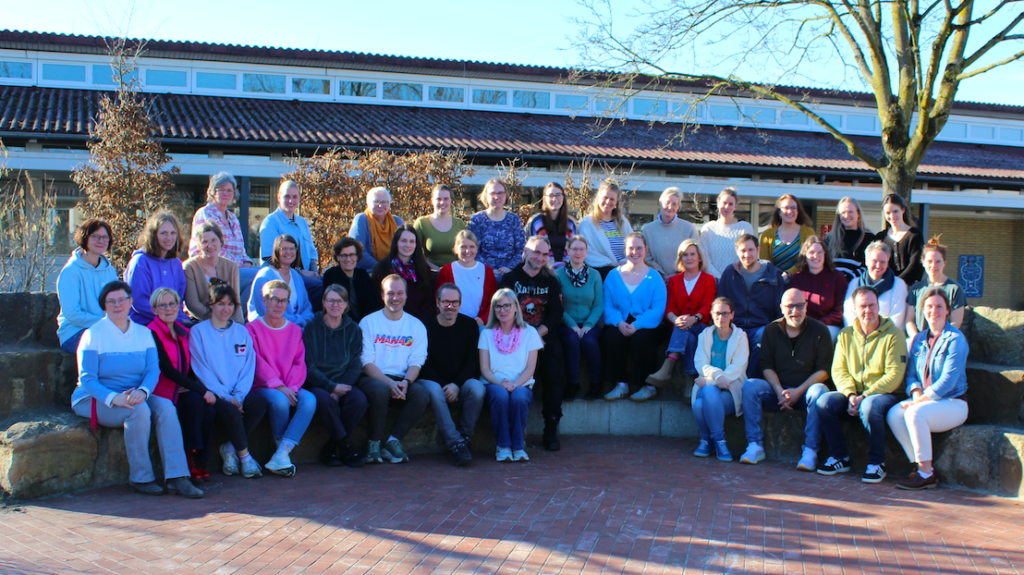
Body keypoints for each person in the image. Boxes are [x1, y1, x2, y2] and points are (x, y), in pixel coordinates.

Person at [71, 281, 203, 498]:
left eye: (122, 300)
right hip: (95, 397)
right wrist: (113, 398)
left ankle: (177, 477)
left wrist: (143, 391)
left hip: (135, 393)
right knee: (138, 411)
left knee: (166, 408)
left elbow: (152, 370)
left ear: (130, 302)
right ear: (104, 306)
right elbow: (87, 378)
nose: (117, 305)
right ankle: (141, 478)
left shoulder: (143, 333)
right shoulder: (93, 334)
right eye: (111, 301)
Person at [816, 287, 907, 483]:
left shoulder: (894, 335)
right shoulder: (845, 335)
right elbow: (839, 370)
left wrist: (865, 396)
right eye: (863, 306)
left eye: (872, 305)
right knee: (824, 402)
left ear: (878, 306)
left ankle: (877, 463)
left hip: (885, 395)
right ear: (855, 309)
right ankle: (840, 457)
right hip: (854, 394)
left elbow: (894, 375)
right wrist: (850, 395)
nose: (868, 310)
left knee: (869, 406)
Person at [740, 289, 832, 470]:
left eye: (799, 306)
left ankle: (811, 451)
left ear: (806, 306)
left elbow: (824, 370)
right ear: (781, 308)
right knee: (750, 386)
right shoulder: (771, 329)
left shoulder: (820, 330)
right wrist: (779, 391)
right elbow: (766, 365)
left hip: (806, 393)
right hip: (778, 391)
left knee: (819, 391)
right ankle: (755, 445)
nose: (795, 311)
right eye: (790, 306)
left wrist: (798, 391)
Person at [887, 288, 969, 490]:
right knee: (894, 414)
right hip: (925, 400)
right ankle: (919, 465)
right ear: (922, 310)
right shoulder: (919, 339)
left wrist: (919, 401)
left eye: (939, 306)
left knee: (914, 413)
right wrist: (916, 393)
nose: (934, 311)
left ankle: (926, 474)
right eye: (929, 306)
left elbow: (948, 380)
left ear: (947, 310)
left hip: (953, 403)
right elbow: (911, 374)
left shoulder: (955, 339)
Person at [189, 281, 266, 479]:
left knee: (259, 403)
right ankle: (245, 458)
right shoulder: (198, 332)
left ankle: (230, 448)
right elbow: (201, 370)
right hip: (215, 394)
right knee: (230, 411)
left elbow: (248, 367)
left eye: (230, 304)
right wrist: (225, 396)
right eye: (221, 304)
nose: (226, 309)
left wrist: (238, 396)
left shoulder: (242, 331)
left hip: (238, 392)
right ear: (211, 305)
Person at [500, 236, 566, 450]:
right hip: (516, 339)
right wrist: (527, 338)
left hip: (544, 338)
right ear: (526, 251)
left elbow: (556, 313)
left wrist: (537, 335)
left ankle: (551, 429)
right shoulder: (510, 279)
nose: (540, 257)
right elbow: (504, 310)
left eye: (545, 254)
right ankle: (516, 430)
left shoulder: (551, 281)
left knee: (554, 377)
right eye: (536, 252)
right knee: (515, 379)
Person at [357, 274, 431, 464]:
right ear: (383, 296)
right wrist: (389, 383)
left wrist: (406, 382)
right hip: (374, 377)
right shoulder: (368, 322)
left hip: (402, 378)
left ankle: (393, 441)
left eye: (400, 293)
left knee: (421, 394)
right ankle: (373, 443)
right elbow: (366, 362)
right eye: (390, 293)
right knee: (380, 390)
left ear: (406, 295)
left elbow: (417, 361)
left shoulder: (416, 326)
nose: (395, 297)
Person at [146, 287, 218, 481]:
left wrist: (201, 388)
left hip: (182, 388)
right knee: (195, 401)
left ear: (179, 306)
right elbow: (167, 369)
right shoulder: (151, 332)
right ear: (154, 309)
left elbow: (190, 365)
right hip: (164, 392)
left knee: (210, 410)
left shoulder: (183, 330)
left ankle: (201, 458)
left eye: (172, 304)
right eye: (162, 305)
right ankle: (190, 456)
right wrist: (201, 390)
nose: (168, 308)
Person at [247, 280, 314, 477]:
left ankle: (282, 453)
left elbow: (298, 362)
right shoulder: (252, 328)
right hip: (263, 386)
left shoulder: (295, 330)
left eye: (284, 301)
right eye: (275, 299)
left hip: (289, 385)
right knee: (279, 401)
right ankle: (280, 450)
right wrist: (278, 386)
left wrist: (291, 387)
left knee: (310, 400)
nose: (279, 305)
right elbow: (257, 361)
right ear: (265, 300)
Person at [419, 283, 486, 466]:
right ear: (438, 303)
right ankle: (455, 442)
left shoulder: (469, 325)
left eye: (455, 302)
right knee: (434, 390)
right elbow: (423, 363)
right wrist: (445, 386)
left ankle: (465, 437)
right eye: (446, 302)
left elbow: (473, 360)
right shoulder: (425, 327)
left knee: (478, 388)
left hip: (460, 383)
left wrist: (456, 384)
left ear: (460, 303)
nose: (450, 306)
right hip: (433, 382)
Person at [302, 284, 368, 468]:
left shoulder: (354, 329)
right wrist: (331, 387)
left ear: (346, 304)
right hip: (319, 383)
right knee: (325, 401)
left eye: (339, 301)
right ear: (323, 303)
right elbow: (309, 367)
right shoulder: (312, 328)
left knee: (359, 400)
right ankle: (345, 445)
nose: (335, 305)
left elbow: (355, 365)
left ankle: (332, 446)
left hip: (344, 382)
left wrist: (340, 389)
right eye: (331, 301)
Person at [601, 233, 668, 402]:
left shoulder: (655, 277)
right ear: (625, 250)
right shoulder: (613, 276)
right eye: (631, 248)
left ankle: (648, 387)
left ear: (646, 250)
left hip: (648, 323)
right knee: (612, 337)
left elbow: (658, 309)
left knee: (642, 339)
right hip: (620, 321)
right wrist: (619, 322)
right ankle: (620, 385)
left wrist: (637, 325)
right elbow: (607, 305)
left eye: (639, 248)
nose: (635, 252)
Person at [479, 288, 544, 462]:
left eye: (507, 305)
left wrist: (514, 385)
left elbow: (530, 368)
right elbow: (485, 369)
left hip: (521, 383)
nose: (503, 310)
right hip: (494, 383)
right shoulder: (486, 333)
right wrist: (501, 384)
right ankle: (503, 446)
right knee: (500, 396)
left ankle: (518, 446)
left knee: (519, 397)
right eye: (498, 306)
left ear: (516, 307)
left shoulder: (530, 332)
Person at [647, 239, 715, 389]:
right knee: (689, 338)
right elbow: (669, 307)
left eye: (692, 254)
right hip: (679, 327)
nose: (689, 258)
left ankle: (667, 366)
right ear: (680, 258)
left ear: (699, 257)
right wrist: (675, 319)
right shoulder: (674, 281)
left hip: (700, 326)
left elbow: (707, 306)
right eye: (685, 255)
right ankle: (690, 383)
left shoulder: (708, 279)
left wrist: (694, 318)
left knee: (688, 330)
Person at [717, 234, 785, 378]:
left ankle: (750, 381)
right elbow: (720, 302)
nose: (747, 255)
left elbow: (780, 309)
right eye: (743, 250)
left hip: (762, 326)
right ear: (736, 251)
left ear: (758, 249)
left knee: (763, 337)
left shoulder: (773, 275)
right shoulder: (730, 273)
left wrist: (776, 328)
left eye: (751, 250)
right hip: (735, 325)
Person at [691, 297, 749, 462]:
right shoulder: (705, 335)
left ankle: (707, 441)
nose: (720, 317)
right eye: (717, 313)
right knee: (708, 393)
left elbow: (738, 368)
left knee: (700, 404)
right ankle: (719, 441)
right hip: (709, 389)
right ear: (711, 314)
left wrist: (710, 381)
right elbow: (700, 363)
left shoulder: (740, 337)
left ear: (732, 315)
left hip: (731, 390)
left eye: (725, 313)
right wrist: (717, 377)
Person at [56, 218, 119, 353]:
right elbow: (72, 314)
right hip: (75, 332)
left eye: (105, 237)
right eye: (95, 237)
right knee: (109, 348)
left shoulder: (110, 271)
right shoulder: (71, 271)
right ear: (85, 238)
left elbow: (117, 302)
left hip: (106, 329)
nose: (101, 241)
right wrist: (105, 324)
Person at [188, 172, 256, 292]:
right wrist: (240, 264)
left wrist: (248, 262)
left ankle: (238, 304)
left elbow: (241, 249)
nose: (226, 193)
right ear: (213, 192)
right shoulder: (205, 213)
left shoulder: (233, 218)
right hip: (213, 269)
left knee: (266, 275)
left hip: (235, 269)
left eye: (229, 190)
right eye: (221, 190)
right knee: (260, 278)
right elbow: (212, 248)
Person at [260, 180, 323, 305]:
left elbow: (311, 253)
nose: (291, 201)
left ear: (299, 198)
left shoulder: (302, 222)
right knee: (320, 288)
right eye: (287, 196)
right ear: (278, 197)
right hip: (281, 277)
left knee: (335, 283)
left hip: (305, 275)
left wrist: (314, 272)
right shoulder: (271, 222)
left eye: (294, 197)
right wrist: (301, 272)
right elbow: (270, 258)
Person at [556, 235, 604, 400]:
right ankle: (573, 383)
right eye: (574, 249)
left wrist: (588, 325)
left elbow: (598, 304)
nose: (578, 253)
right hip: (566, 323)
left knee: (589, 341)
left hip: (591, 323)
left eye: (582, 249)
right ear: (568, 251)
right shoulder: (558, 275)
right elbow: (557, 305)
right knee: (571, 339)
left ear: (586, 252)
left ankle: (596, 383)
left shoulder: (595, 275)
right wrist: (572, 325)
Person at [124, 211, 189, 325]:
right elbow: (139, 303)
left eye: (173, 233)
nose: (169, 238)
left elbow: (178, 302)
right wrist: (171, 320)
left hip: (171, 322)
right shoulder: (140, 262)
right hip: (145, 324)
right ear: (154, 235)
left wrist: (182, 321)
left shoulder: (176, 264)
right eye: (163, 233)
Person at [788, 236, 849, 341]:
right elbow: (789, 307)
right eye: (811, 252)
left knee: (820, 335)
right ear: (805, 255)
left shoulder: (837, 278)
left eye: (819, 252)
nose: (815, 256)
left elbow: (840, 311)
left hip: (829, 326)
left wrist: (819, 324)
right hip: (801, 325)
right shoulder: (796, 279)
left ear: (825, 254)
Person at [370, 224, 436, 321]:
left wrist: (417, 323)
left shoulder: (423, 269)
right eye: (403, 241)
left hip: (417, 323)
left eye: (412, 241)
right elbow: (375, 300)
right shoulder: (382, 268)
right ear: (396, 243)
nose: (407, 245)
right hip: (387, 322)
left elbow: (429, 302)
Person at [906, 236, 967, 338]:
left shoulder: (954, 289)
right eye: (929, 261)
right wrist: (917, 338)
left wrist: (938, 340)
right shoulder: (916, 289)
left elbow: (956, 321)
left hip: (944, 341)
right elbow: (909, 320)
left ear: (944, 263)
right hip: (920, 342)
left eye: (938, 261)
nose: (933, 265)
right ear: (923, 262)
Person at [183, 221, 244, 324]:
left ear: (221, 241)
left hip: (226, 321)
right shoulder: (190, 267)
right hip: (199, 321)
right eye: (204, 242)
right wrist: (217, 320)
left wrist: (240, 326)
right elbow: (193, 304)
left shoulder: (232, 267)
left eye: (213, 240)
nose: (210, 246)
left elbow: (236, 302)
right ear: (198, 245)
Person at [248, 234, 314, 327]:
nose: (289, 252)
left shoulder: (296, 276)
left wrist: (306, 320)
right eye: (284, 249)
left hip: (298, 328)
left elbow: (306, 306)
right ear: (276, 251)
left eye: (292, 249)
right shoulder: (264, 276)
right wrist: (298, 321)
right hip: (271, 329)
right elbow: (264, 311)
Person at [435, 229, 497, 327]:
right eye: (463, 247)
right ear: (456, 249)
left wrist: (483, 319)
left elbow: (494, 301)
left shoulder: (487, 271)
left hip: (479, 325)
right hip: (453, 324)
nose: (467, 251)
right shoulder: (447, 271)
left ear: (477, 249)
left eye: (472, 247)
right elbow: (439, 300)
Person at [842, 241, 908, 330]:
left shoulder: (898, 284)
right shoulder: (855, 284)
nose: (878, 266)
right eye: (874, 261)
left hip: (889, 335)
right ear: (866, 261)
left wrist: (877, 335)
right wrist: (860, 333)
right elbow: (849, 315)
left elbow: (897, 318)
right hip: (859, 335)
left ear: (888, 262)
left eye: (883, 262)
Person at [467, 178, 525, 277]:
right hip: (484, 272)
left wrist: (509, 268)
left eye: (500, 193)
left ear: (506, 195)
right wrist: (490, 270)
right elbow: (473, 250)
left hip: (511, 272)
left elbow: (521, 250)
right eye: (492, 193)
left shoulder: (514, 220)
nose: (496, 197)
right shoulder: (477, 220)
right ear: (486, 195)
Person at [577, 179, 633, 279]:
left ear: (616, 202)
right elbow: (586, 251)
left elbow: (633, 244)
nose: (608, 202)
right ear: (598, 198)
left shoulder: (623, 222)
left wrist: (625, 262)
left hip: (626, 272)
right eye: (605, 197)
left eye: (612, 199)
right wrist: (611, 264)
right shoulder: (587, 223)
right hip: (600, 274)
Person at [642, 187, 699, 280]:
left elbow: (695, 255)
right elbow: (646, 256)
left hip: (683, 279)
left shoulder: (689, 228)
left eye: (674, 204)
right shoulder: (648, 230)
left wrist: (677, 274)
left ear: (678, 206)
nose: (670, 207)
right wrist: (661, 274)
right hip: (655, 278)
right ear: (660, 202)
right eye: (667, 202)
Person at [700, 187, 755, 279]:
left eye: (731, 204)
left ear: (735, 206)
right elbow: (705, 258)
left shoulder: (745, 228)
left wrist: (731, 278)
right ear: (718, 204)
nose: (727, 207)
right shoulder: (708, 229)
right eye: (724, 203)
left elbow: (749, 256)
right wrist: (719, 278)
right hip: (713, 281)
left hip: (738, 280)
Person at [349, 186, 405, 271]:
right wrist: (382, 268)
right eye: (376, 202)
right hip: (368, 271)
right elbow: (357, 251)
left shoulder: (397, 221)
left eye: (384, 202)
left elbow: (407, 247)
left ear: (389, 204)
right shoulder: (361, 219)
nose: (380, 205)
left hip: (395, 269)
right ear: (368, 203)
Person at [759, 194, 816, 275]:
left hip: (801, 280)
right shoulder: (767, 235)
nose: (789, 211)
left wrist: (788, 274)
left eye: (793, 208)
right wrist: (779, 278)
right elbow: (764, 263)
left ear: (798, 211)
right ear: (779, 212)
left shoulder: (808, 233)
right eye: (786, 208)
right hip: (775, 280)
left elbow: (808, 259)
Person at [524, 182, 578, 268]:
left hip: (566, 269)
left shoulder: (571, 223)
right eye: (551, 195)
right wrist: (552, 267)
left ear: (563, 197)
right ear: (544, 198)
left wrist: (563, 268)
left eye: (558, 195)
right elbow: (533, 251)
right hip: (541, 269)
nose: (555, 199)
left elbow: (574, 250)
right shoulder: (535, 222)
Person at [414, 184, 467, 270]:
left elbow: (466, 251)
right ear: (432, 201)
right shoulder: (421, 223)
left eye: (446, 199)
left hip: (456, 271)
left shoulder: (459, 223)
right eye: (438, 199)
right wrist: (436, 269)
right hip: (431, 272)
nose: (442, 202)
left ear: (450, 200)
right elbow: (415, 252)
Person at [322, 237, 376, 322]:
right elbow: (336, 307)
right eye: (344, 255)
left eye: (352, 255)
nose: (348, 259)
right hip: (342, 323)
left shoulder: (363, 275)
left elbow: (371, 303)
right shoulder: (331, 275)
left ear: (357, 256)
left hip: (365, 322)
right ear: (337, 257)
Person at [878, 193, 925, 285]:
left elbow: (916, 265)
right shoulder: (880, 237)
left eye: (895, 211)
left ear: (903, 210)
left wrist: (897, 283)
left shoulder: (914, 235)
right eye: (888, 213)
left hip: (909, 286)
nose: (892, 216)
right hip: (885, 286)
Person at [825, 197, 873, 279]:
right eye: (843, 212)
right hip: (832, 284)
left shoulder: (868, 238)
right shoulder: (830, 238)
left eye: (850, 212)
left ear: (858, 214)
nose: (846, 216)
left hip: (856, 284)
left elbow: (869, 267)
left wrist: (847, 279)